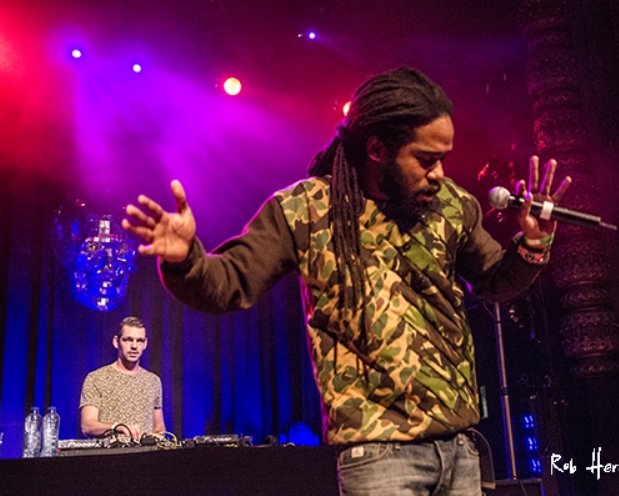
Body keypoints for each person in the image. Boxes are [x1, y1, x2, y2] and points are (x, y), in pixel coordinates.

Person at [123, 67, 570, 494]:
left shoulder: (451, 205)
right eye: (426, 159)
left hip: (459, 447)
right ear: (377, 149)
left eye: (443, 159)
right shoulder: (306, 210)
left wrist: (533, 243)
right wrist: (185, 260)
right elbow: (229, 282)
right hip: (377, 455)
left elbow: (495, 280)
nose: (438, 173)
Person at [79, 316, 166, 441]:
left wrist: (158, 435)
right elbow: (87, 426)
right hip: (109, 452)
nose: (134, 346)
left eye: (139, 340)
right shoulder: (96, 378)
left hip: (145, 452)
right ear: (116, 342)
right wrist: (118, 427)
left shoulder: (153, 381)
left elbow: (158, 425)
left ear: (145, 343)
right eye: (128, 340)